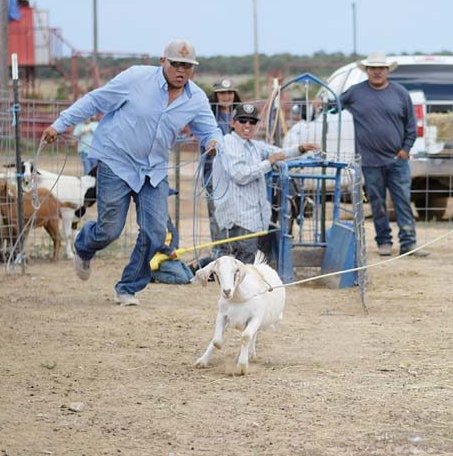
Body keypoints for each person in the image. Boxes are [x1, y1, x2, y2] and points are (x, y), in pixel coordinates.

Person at [42, 40, 223, 306]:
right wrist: (60, 124)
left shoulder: (195, 98)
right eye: (176, 64)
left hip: (154, 171)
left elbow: (210, 130)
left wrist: (214, 142)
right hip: (116, 161)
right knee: (109, 229)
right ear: (163, 61)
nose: (181, 70)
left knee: (156, 233)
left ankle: (127, 287)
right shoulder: (136, 78)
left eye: (187, 66)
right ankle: (84, 244)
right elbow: (95, 100)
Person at [339, 51, 425, 257]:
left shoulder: (400, 93)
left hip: (397, 160)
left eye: (380, 68)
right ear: (367, 70)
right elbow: (334, 104)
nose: (377, 72)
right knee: (377, 203)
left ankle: (408, 242)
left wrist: (406, 149)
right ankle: (384, 241)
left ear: (387, 70)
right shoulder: (355, 93)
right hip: (370, 161)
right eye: (373, 68)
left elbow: (411, 125)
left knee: (402, 201)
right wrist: (320, 104)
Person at [211, 103, 318, 264]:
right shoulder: (228, 143)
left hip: (250, 218)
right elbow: (240, 175)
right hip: (237, 218)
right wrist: (269, 162)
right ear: (233, 123)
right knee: (241, 264)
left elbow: (277, 152)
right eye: (243, 120)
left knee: (244, 262)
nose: (247, 125)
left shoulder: (254, 146)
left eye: (252, 121)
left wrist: (301, 148)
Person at [204, 78, 241, 249]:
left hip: (237, 173)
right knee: (217, 214)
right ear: (215, 96)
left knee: (238, 213)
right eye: (222, 93)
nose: (226, 96)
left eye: (229, 92)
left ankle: (237, 249)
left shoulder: (242, 117)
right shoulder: (208, 117)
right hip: (213, 173)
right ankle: (220, 250)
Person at [150, 189, 194, 284]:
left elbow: (174, 233)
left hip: (170, 256)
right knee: (182, 279)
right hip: (160, 257)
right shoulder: (152, 216)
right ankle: (151, 274)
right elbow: (155, 241)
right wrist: (168, 251)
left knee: (190, 278)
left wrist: (173, 248)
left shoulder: (164, 214)